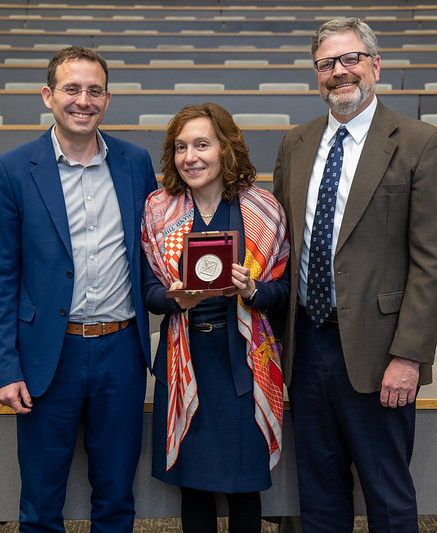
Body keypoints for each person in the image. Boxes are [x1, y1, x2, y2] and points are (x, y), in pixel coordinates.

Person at [272, 18, 437, 533]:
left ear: (375, 65)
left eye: (350, 58)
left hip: (379, 352)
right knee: (319, 497)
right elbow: (282, 244)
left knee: (387, 496)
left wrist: (409, 355)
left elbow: (435, 259)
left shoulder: (421, 142)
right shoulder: (295, 143)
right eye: (326, 63)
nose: (339, 71)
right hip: (306, 346)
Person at [0, 46, 156, 532]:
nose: (84, 100)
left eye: (95, 90)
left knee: (117, 500)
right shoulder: (13, 169)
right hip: (47, 356)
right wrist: (4, 368)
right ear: (48, 95)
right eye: (72, 89)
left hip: (121, 351)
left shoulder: (135, 162)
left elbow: (152, 251)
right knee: (40, 505)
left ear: (107, 99)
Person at [141, 103, 290, 533]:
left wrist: (252, 290)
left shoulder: (263, 209)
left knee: (245, 487)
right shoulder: (158, 210)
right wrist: (175, 300)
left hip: (244, 366)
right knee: (194, 489)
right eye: (181, 147)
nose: (190, 157)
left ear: (225, 148)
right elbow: (148, 293)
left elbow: (283, 292)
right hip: (185, 364)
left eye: (202, 145)